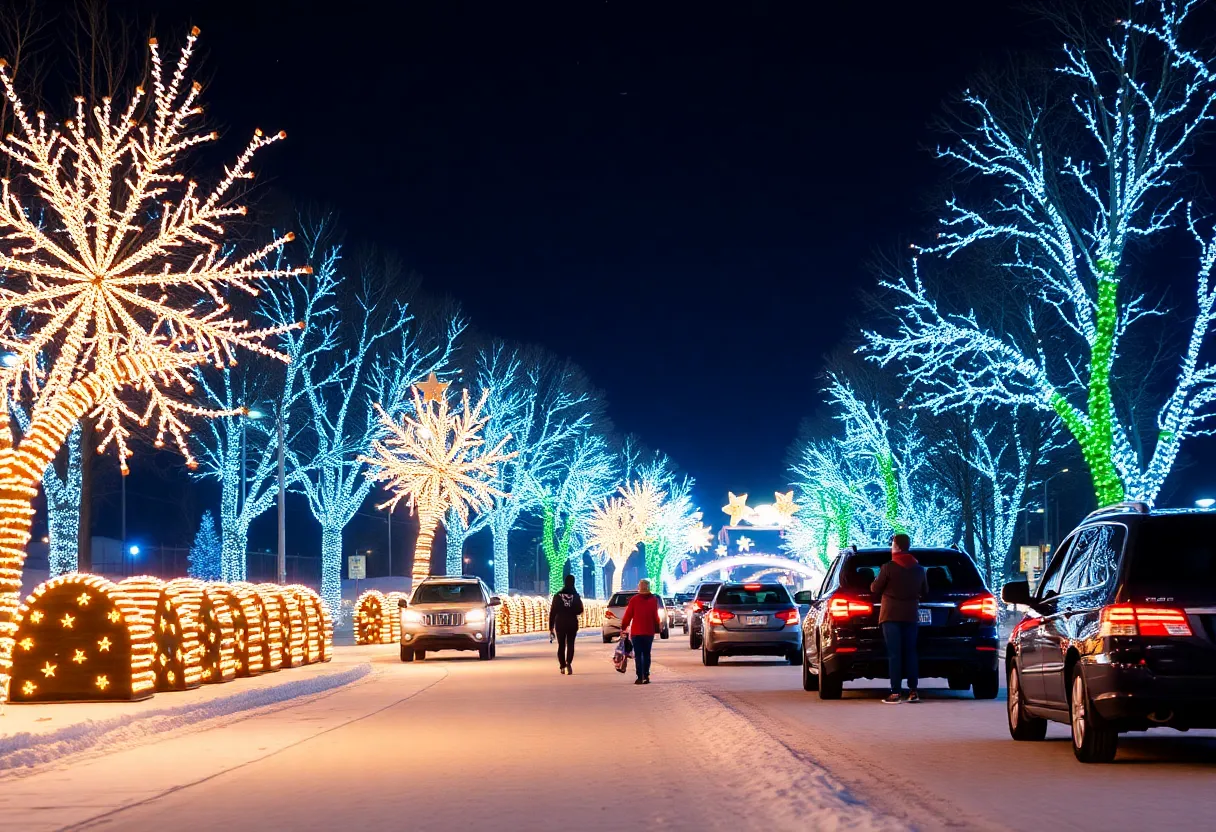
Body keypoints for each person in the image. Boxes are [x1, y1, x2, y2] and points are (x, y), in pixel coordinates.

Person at [871, 533, 929, 704]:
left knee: (895, 654)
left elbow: (875, 588)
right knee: (911, 652)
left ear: (896, 546)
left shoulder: (888, 567)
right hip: (911, 615)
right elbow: (925, 591)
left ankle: (895, 692)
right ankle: (913, 691)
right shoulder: (919, 569)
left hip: (890, 616)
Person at [620, 579, 663, 685]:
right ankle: (646, 675)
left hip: (636, 632)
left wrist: (623, 626)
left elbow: (628, 615)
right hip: (648, 632)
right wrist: (657, 626)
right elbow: (655, 616)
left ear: (639, 587)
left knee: (638, 655)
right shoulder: (653, 600)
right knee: (647, 654)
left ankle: (640, 676)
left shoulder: (634, 600)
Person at [548, 574, 584, 675]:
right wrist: (572, 611)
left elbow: (553, 612)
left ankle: (562, 666)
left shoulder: (557, 596)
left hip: (560, 623)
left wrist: (551, 627)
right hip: (572, 623)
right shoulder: (576, 596)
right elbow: (580, 610)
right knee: (571, 644)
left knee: (561, 645)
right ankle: (568, 663)